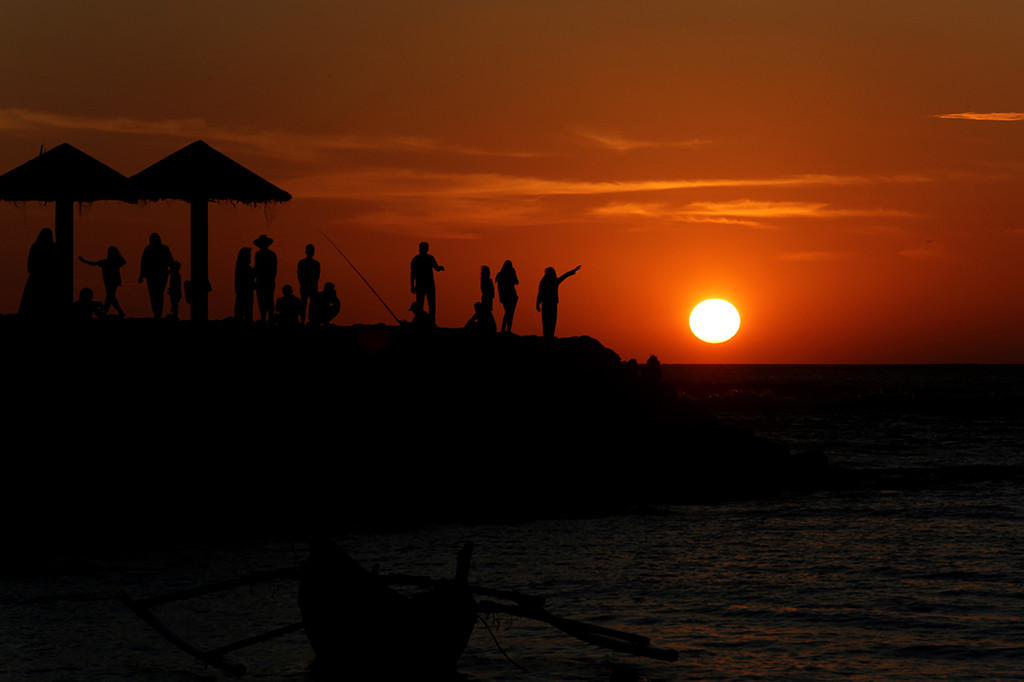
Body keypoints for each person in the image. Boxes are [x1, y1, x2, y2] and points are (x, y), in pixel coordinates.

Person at [19, 228, 58, 318]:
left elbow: (30, 266)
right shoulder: (51, 247)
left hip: (39, 280)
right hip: (45, 281)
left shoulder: (35, 246)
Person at [79, 245, 126, 317]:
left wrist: (83, 261)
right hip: (112, 282)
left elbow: (94, 263)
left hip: (110, 282)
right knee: (110, 297)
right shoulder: (113, 262)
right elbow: (94, 263)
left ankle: (112, 311)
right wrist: (84, 261)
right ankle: (106, 312)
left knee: (110, 296)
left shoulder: (107, 262)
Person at [536, 265, 581, 339]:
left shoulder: (545, 281)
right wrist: (537, 303)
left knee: (547, 321)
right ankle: (548, 336)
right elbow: (564, 276)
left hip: (547, 304)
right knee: (550, 320)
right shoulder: (551, 281)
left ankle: (548, 336)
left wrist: (537, 303)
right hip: (550, 304)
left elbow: (539, 293)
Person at [138, 232, 173, 318]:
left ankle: (158, 314)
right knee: (156, 295)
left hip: (158, 276)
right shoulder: (151, 249)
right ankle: (157, 314)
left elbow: (143, 263)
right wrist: (141, 275)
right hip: (155, 276)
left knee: (156, 295)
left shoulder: (151, 249)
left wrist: (141, 275)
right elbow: (143, 263)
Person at [410, 241, 444, 325]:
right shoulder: (427, 258)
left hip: (423, 285)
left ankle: (426, 323)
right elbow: (436, 268)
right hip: (427, 285)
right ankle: (428, 323)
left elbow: (412, 274)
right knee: (429, 305)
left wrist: (412, 285)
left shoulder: (417, 258)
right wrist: (441, 268)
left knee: (423, 305)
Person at [253, 234, 278, 322]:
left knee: (264, 301)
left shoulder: (259, 254)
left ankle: (266, 318)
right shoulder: (271, 254)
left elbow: (256, 268)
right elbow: (274, 269)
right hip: (267, 281)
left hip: (264, 281)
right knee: (267, 300)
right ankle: (267, 318)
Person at [297, 243, 321, 324]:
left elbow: (299, 275)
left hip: (306, 286)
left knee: (307, 305)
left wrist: (302, 283)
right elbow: (317, 276)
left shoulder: (302, 262)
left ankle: (305, 321)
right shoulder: (316, 263)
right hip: (309, 286)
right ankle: (306, 321)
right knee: (308, 305)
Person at [495, 260, 519, 334]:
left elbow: (499, 287)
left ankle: (505, 329)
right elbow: (517, 282)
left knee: (508, 313)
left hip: (506, 297)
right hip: (510, 296)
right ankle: (506, 330)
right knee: (509, 313)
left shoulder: (500, 274)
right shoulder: (510, 273)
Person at [234, 247, 255, 322]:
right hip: (246, 292)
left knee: (242, 311)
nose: (250, 256)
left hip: (243, 291)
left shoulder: (240, 268)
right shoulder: (246, 269)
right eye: (249, 255)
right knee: (247, 311)